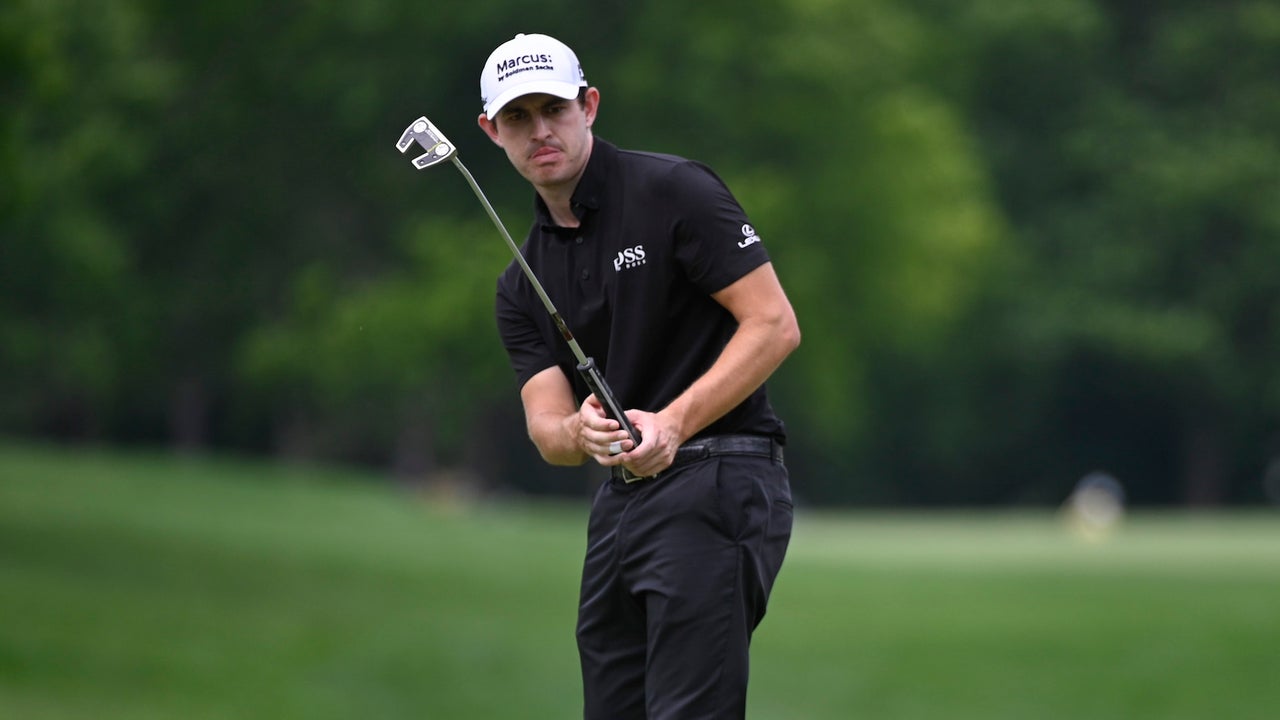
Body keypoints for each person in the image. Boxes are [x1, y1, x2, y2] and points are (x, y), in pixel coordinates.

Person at [477, 32, 800, 720]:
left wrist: (674, 421)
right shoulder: (519, 282)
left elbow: (773, 324)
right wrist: (578, 430)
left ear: (589, 106)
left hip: (718, 474)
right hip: (622, 503)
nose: (540, 131)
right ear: (490, 131)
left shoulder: (673, 190)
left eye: (554, 109)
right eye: (517, 118)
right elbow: (546, 427)